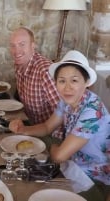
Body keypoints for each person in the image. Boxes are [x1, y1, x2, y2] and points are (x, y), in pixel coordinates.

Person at [9, 50, 110, 201]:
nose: (67, 87)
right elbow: (47, 127)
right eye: (62, 81)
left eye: (74, 80)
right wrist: (23, 129)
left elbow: (59, 156)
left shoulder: (92, 111)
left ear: (86, 82)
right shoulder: (67, 101)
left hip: (93, 179)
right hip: (73, 163)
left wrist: (53, 149)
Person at [9, 27, 62, 142]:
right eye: (13, 45)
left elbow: (64, 115)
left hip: (52, 136)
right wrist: (20, 121)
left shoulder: (45, 72)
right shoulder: (19, 64)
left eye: (22, 44)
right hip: (31, 127)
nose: (16, 51)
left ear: (33, 46)